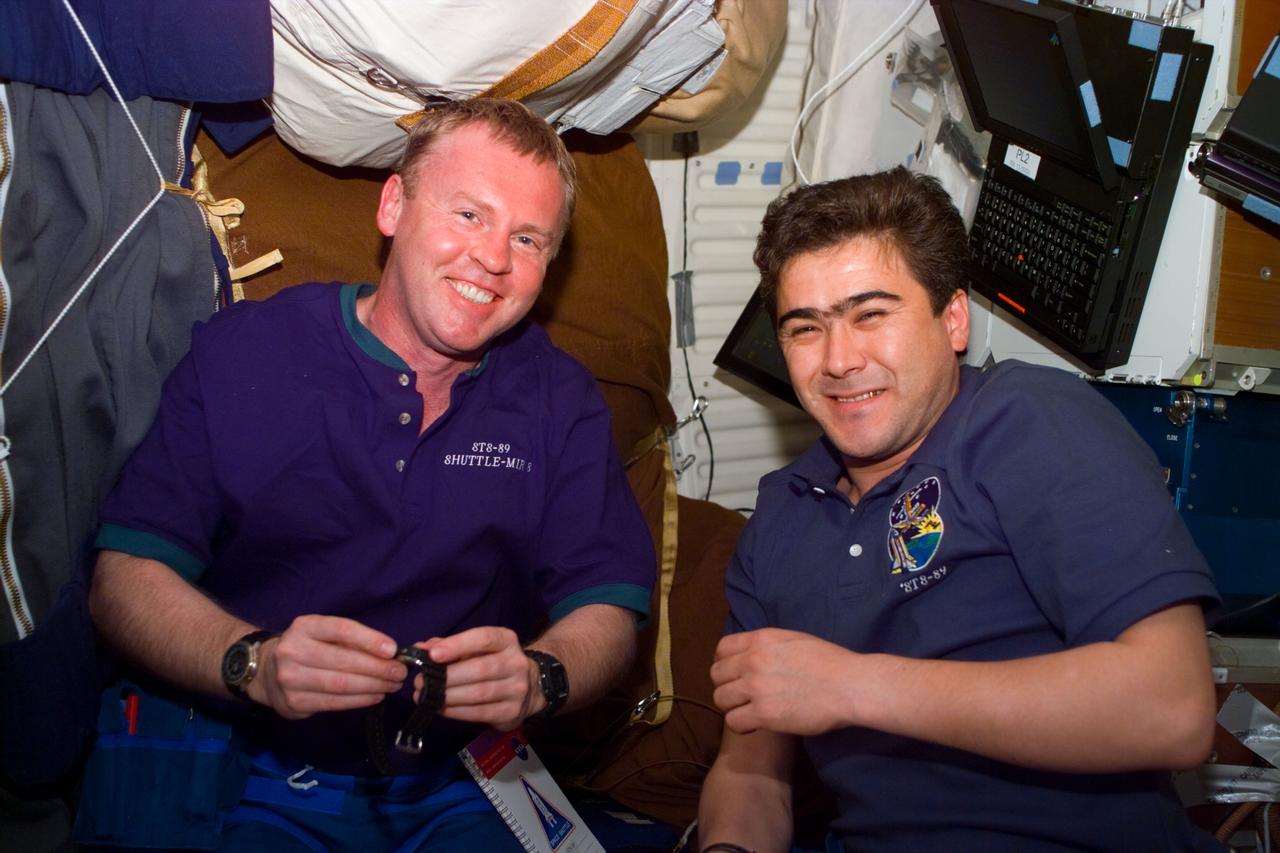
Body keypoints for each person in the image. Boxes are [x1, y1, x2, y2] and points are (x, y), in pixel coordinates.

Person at [78, 98, 655, 851]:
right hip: (247, 755)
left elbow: (609, 605)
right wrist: (252, 661)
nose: (494, 258)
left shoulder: (559, 398)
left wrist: (542, 676)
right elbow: (124, 575)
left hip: (461, 768)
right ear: (394, 206)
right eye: (469, 214)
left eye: (528, 238)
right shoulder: (246, 353)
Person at [697, 167, 1223, 852]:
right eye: (805, 328)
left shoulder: (1027, 422)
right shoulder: (779, 518)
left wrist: (855, 685)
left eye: (871, 315)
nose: (838, 359)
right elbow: (751, 771)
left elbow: (1173, 708)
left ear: (953, 318)